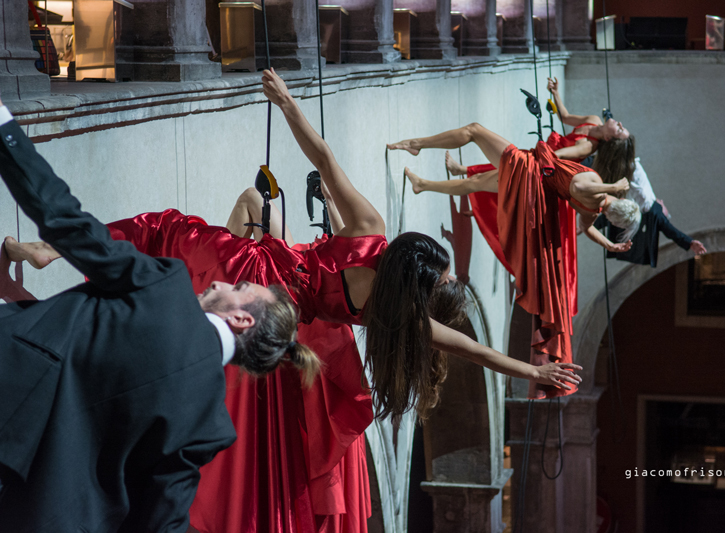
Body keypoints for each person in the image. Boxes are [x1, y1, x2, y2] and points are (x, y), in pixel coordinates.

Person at [9, 69, 582, 533]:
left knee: (166, 228)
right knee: (217, 231)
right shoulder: (394, 312)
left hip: (257, 272)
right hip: (281, 310)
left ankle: (49, 251)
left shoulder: (371, 230)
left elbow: (324, 159)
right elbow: (469, 349)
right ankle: (101, 299)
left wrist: (287, 104)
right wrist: (530, 369)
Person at [0, 100, 317, 532]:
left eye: (239, 287)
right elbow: (161, 523)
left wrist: (6, 131)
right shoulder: (208, 427)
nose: (220, 283)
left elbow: (68, 223)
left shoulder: (167, 286)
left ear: (242, 320)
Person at [388, 122, 637, 399]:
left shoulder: (597, 188)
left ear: (620, 200)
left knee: (474, 132)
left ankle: (416, 145)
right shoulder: (594, 210)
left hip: (530, 175)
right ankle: (423, 185)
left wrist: (612, 184)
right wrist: (609, 244)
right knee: (476, 184)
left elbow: (575, 180)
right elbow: (587, 228)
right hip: (534, 187)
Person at [593, 157, 707, 267]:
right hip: (627, 171)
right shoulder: (653, 209)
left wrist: (690, 243)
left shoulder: (651, 211)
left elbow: (671, 231)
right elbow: (671, 231)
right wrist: (690, 242)